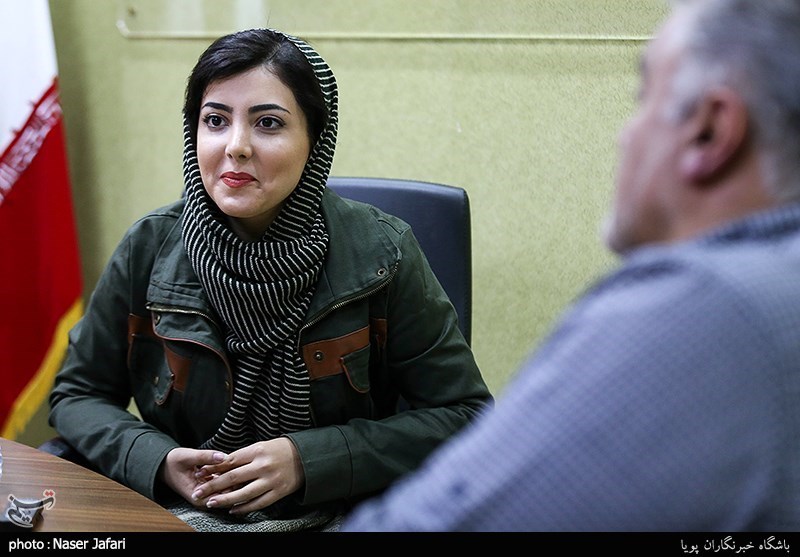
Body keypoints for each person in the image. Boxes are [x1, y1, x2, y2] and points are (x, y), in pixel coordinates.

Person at [341, 0, 800, 532]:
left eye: (643, 98)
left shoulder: (697, 307)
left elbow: (446, 520)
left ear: (710, 131)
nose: (625, 135)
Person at [48, 28, 492, 532]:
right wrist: (157, 460)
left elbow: (465, 414)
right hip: (185, 511)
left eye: (268, 123)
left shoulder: (383, 252)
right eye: (215, 120)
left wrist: (310, 460)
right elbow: (77, 393)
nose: (235, 147)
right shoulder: (149, 247)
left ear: (316, 140)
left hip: (345, 512)